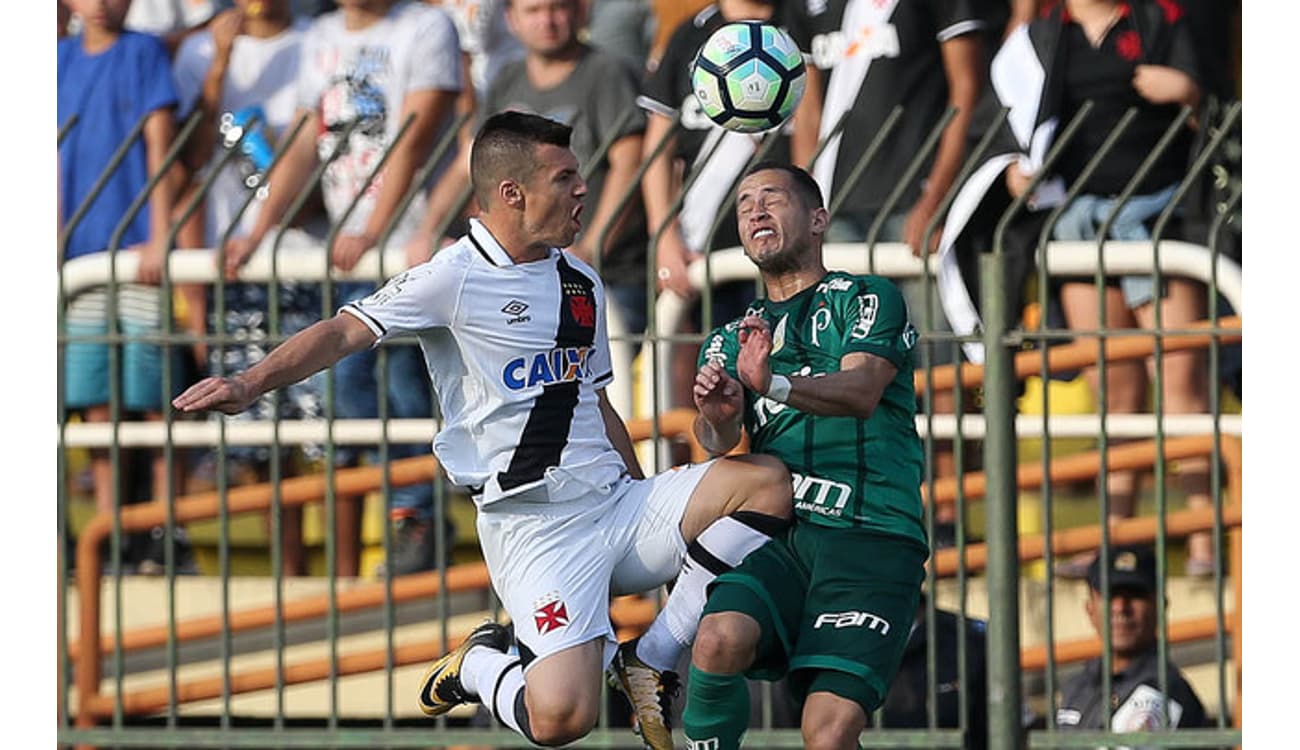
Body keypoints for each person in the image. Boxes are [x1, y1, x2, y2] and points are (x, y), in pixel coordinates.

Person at [173, 111, 794, 750]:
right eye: (565, 178)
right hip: (536, 530)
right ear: (512, 194)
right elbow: (342, 331)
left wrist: (641, 492)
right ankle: (477, 662)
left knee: (768, 482)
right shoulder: (452, 276)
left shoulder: (581, 280)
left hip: (615, 506)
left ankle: (652, 657)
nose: (583, 189)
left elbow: (596, 401)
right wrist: (250, 383)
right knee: (562, 719)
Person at [934, 0, 1214, 578]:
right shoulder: (1040, 36)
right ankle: (1113, 545)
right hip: (1077, 222)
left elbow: (1214, 111)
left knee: (1182, 380)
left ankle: (1205, 538)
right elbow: (1008, 121)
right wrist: (1012, 167)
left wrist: (1184, 90)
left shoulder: (1159, 17)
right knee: (1114, 389)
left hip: (1159, 218)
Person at [680, 162, 929, 750]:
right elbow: (716, 442)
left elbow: (863, 391)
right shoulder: (729, 336)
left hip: (871, 537)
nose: (755, 211)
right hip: (784, 537)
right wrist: (716, 416)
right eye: (743, 205)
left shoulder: (866, 297)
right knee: (716, 640)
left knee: (829, 733)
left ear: (818, 220)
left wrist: (775, 385)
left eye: (772, 199)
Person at [222, 0, 463, 576]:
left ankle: (421, 516)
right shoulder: (321, 35)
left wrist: (373, 227)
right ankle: (413, 514)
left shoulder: (424, 26)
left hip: (408, 244)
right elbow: (308, 137)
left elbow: (415, 134)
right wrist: (259, 229)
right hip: (354, 247)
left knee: (405, 390)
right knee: (352, 393)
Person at [794, 0, 987, 547]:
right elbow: (808, 111)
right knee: (838, 364)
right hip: (836, 209)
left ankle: (947, 513)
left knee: (937, 361)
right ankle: (857, 506)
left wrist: (937, 195)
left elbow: (965, 91)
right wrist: (805, 202)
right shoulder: (805, 6)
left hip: (912, 209)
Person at [638, 0, 819, 422]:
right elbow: (658, 146)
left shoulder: (797, 24)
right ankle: (701, 474)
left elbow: (812, 128)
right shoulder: (689, 34)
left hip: (778, 246)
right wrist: (664, 236)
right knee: (702, 369)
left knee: (782, 369)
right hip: (703, 244)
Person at [59, 0, 182, 569]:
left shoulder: (142, 51)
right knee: (96, 404)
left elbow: (163, 147)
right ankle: (109, 531)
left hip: (136, 252)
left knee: (153, 396)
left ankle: (160, 528)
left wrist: (161, 236)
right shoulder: (59, 60)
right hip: (79, 256)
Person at [484, 0, 652, 336]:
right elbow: (474, 165)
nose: (547, 21)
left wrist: (591, 247)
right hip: (524, 273)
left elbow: (629, 163)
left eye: (557, 8)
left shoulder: (607, 71)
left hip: (608, 272)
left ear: (581, 11)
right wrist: (431, 230)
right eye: (533, 11)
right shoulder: (506, 78)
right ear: (511, 19)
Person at [1056, 544, 1207, 733]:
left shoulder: (1166, 690)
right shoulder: (1078, 684)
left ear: (1160, 606)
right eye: (1111, 596)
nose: (1120, 607)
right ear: (1090, 609)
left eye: (1135, 595)